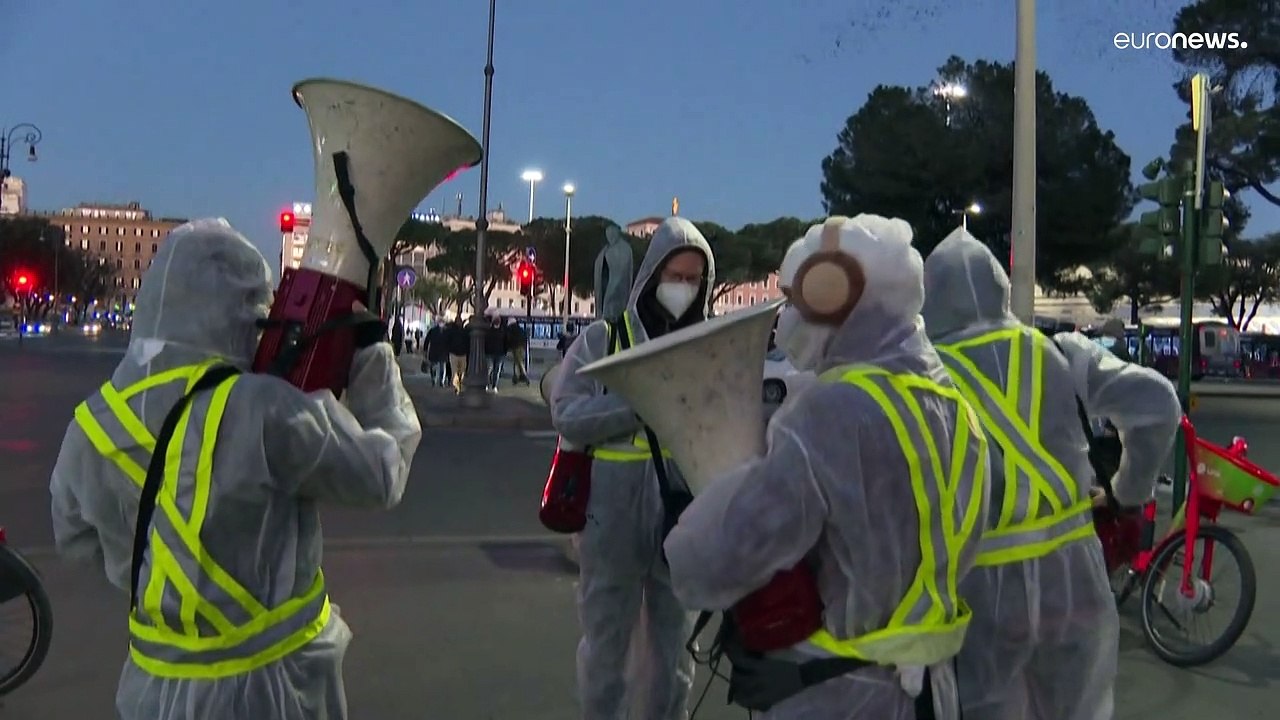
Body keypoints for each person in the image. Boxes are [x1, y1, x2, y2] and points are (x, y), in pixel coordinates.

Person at [48, 219, 421, 720]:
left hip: (151, 687)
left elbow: (76, 540)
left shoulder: (91, 422)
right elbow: (382, 474)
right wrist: (373, 355)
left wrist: (179, 600)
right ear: (242, 312)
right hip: (271, 690)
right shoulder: (264, 408)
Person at [664, 215, 990, 719]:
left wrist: (692, 530)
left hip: (836, 694)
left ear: (833, 293)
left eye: (796, 301)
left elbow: (720, 555)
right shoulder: (957, 406)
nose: (788, 318)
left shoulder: (832, 409)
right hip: (933, 692)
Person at [920, 227, 1180, 720]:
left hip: (979, 588)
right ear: (999, 288)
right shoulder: (1061, 353)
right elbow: (1158, 404)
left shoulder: (924, 376)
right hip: (1073, 575)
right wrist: (1129, 489)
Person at [550, 216, 715, 720]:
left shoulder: (709, 347)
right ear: (651, 275)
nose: (682, 288)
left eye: (693, 279)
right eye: (675, 275)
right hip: (610, 524)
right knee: (606, 653)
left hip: (681, 524)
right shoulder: (604, 338)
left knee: (674, 659)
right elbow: (567, 414)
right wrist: (638, 409)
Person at [485, 311, 508, 391]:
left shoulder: (490, 330)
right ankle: (489, 385)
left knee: (495, 370)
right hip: (492, 353)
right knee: (490, 369)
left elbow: (506, 342)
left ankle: (494, 386)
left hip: (497, 353)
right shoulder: (502, 331)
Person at [446, 316, 469, 393]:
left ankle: (459, 385)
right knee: (455, 371)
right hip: (455, 354)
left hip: (461, 353)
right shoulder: (452, 331)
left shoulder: (464, 331)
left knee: (461, 371)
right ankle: (457, 387)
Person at [506, 318, 530, 385]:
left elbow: (509, 338)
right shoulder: (520, 329)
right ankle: (520, 375)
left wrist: (508, 347)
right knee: (519, 361)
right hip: (522, 347)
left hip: (515, 347)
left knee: (518, 362)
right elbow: (525, 338)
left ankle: (523, 375)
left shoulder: (510, 329)